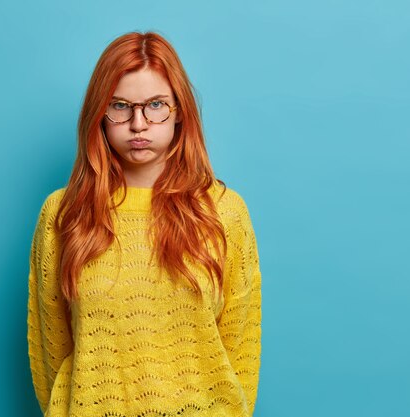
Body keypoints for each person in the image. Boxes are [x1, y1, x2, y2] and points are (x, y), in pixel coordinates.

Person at [27, 31, 262, 416]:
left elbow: (241, 348)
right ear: (99, 115)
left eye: (155, 105)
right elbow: (49, 350)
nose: (139, 123)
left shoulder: (223, 212)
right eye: (119, 106)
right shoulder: (62, 214)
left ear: (180, 111)